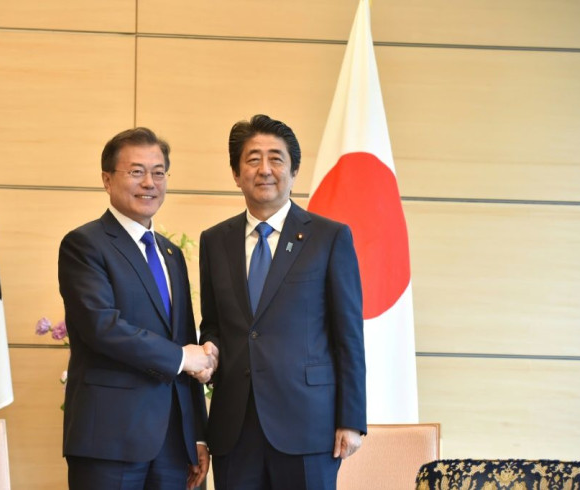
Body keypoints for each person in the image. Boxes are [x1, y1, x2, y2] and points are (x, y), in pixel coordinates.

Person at [199, 114, 367, 489]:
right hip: (234, 427)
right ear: (236, 172)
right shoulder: (214, 241)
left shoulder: (329, 237)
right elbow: (213, 322)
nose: (265, 169)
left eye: (276, 158)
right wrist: (209, 346)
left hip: (309, 424)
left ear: (293, 171)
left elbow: (348, 335)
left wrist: (351, 418)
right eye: (253, 158)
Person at [58, 127, 216, 490]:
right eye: (136, 171)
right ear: (107, 179)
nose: (150, 182)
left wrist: (198, 435)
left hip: (174, 445)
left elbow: (185, 340)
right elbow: (102, 327)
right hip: (109, 441)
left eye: (159, 172)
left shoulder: (171, 254)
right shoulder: (85, 245)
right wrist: (180, 357)